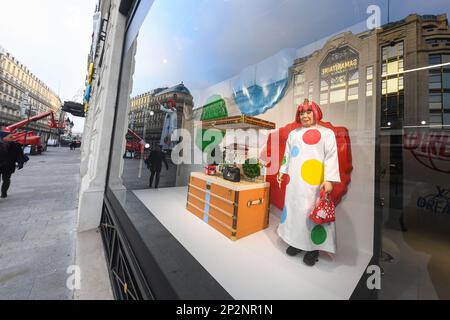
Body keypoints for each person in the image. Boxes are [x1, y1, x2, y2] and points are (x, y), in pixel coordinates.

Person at [277, 100, 340, 266]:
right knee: (295, 211)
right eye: (302, 113)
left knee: (312, 212)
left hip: (315, 183)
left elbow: (331, 156)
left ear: (316, 112)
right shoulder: (294, 134)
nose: (305, 116)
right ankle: (296, 242)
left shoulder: (326, 133)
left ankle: (313, 249)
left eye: (308, 112)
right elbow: (287, 154)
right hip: (294, 181)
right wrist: (282, 171)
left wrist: (328, 179)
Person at [0, 133, 28, 198]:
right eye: (10, 137)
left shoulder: (15, 145)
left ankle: (4, 193)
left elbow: (19, 155)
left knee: (6, 180)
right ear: (3, 138)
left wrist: (20, 163)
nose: (12, 138)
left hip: (9, 165)